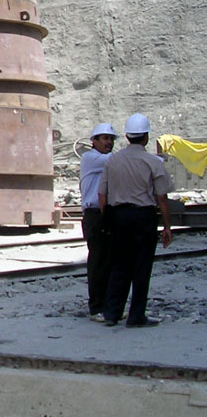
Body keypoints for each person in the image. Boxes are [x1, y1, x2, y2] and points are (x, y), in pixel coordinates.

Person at [97, 113, 173, 328]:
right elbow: (161, 198)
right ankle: (136, 316)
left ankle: (112, 313)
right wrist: (167, 227)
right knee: (141, 267)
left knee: (119, 264)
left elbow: (102, 194)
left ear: (127, 137)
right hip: (143, 217)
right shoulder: (153, 162)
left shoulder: (113, 160)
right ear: (146, 137)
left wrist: (107, 219)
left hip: (118, 217)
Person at [79, 122, 117, 322]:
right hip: (95, 214)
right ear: (94, 141)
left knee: (110, 261)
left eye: (111, 139)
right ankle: (96, 307)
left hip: (108, 212)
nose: (109, 142)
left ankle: (109, 306)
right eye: (105, 138)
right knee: (98, 262)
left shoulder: (109, 160)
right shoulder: (91, 158)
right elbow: (116, 160)